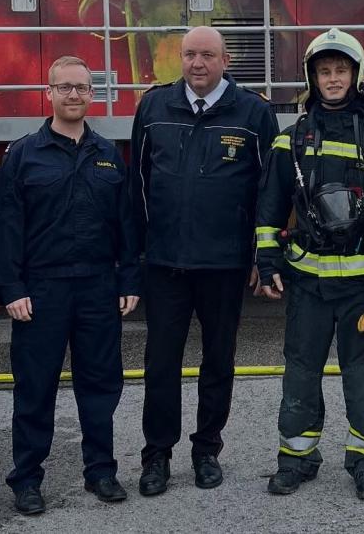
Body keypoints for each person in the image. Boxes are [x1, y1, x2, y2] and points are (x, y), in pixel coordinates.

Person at [255, 28, 364, 500]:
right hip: (307, 284)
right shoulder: (290, 139)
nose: (333, 78)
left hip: (363, 287)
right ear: (312, 77)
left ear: (356, 75)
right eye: (325, 71)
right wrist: (267, 259)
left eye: (341, 70)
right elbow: (270, 208)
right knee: (301, 369)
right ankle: (296, 458)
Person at [129, 26, 278, 496]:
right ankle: (157, 455)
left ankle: (206, 449)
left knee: (219, 360)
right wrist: (137, 256)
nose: (198, 63)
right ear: (180, 57)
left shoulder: (254, 112)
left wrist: (260, 254)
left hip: (224, 264)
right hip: (165, 263)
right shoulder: (153, 107)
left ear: (225, 60)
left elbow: (268, 192)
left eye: (207, 55)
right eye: (190, 54)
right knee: (160, 364)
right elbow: (138, 186)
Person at [0, 56, 140, 513]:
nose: (73, 95)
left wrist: (129, 277)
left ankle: (101, 472)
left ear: (93, 94)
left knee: (100, 385)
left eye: (82, 87)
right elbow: (7, 228)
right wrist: (11, 288)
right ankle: (27, 479)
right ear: (49, 92)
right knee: (35, 387)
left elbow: (127, 224)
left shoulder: (109, 155)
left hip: (97, 287)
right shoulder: (23, 154)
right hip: (41, 291)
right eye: (65, 87)